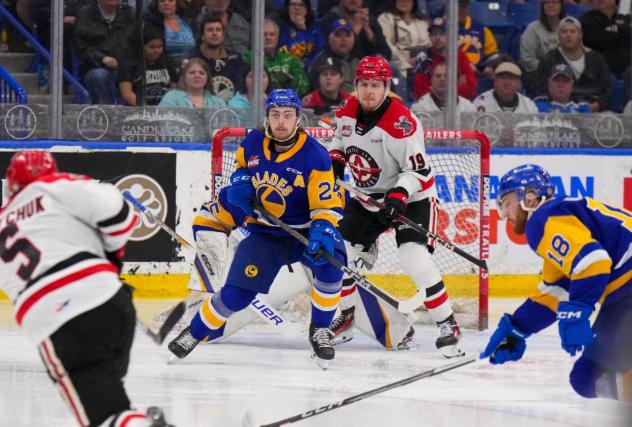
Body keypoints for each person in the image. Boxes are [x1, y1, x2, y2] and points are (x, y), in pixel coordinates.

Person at [168, 89, 347, 369]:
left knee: (331, 265)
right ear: (267, 117)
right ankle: (194, 332)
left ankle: (320, 330)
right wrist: (240, 183)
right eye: (275, 115)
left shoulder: (316, 156)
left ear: (298, 119)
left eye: (287, 115)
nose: (281, 122)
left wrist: (322, 229)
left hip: (306, 231)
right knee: (236, 295)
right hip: (265, 233)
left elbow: (325, 203)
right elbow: (241, 166)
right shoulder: (253, 143)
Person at [0, 150, 173, 426]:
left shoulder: (5, 218)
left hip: (60, 324)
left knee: (105, 417)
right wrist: (110, 256)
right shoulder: (61, 186)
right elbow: (122, 216)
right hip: (110, 302)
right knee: (113, 403)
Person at [328, 56, 463, 357]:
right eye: (364, 84)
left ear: (387, 86)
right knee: (340, 255)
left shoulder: (402, 123)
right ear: (356, 86)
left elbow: (418, 171)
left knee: (412, 256)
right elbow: (339, 142)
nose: (369, 91)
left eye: (376, 85)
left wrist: (398, 195)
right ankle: (347, 316)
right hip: (366, 197)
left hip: (411, 198)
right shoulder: (346, 111)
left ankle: (447, 323)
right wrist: (335, 162)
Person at [481, 164, 632, 401]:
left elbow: (594, 261)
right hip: (625, 292)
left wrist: (578, 310)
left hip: (627, 291)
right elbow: (559, 288)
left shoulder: (541, 220)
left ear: (528, 198)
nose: (504, 215)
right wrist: (518, 328)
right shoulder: (560, 215)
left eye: (507, 203)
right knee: (588, 376)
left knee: (590, 377)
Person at [536, 16, 611, 112]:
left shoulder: (596, 58)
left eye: (572, 31)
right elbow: (540, 91)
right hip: (559, 112)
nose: (568, 35)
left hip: (594, 111)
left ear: (580, 35)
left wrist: (595, 106)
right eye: (564, 31)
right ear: (558, 36)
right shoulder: (549, 59)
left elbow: (608, 91)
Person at [73, 0, 136, 104]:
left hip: (127, 69)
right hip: (96, 67)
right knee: (99, 76)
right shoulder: (85, 14)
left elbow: (138, 44)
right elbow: (80, 47)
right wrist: (101, 58)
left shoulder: (130, 15)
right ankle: (108, 115)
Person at [412, 17, 477, 101]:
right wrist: (456, 86)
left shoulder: (459, 55)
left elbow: (471, 90)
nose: (437, 38)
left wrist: (436, 88)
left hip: (457, 105)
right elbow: (421, 93)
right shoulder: (424, 57)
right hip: (431, 108)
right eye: (434, 34)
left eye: (442, 33)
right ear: (430, 37)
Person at [243, 19, 310, 97]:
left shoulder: (290, 59)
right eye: (264, 34)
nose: (268, 37)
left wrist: (284, 97)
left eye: (272, 34)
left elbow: (303, 84)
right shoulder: (248, 57)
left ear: (277, 38)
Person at [191, 16, 246, 102]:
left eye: (218, 30)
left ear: (223, 35)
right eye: (210, 30)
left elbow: (242, 89)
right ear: (202, 36)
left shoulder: (235, 59)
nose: (214, 33)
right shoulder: (193, 60)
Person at [118, 30, 177, 106]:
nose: (156, 51)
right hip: (138, 109)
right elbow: (127, 94)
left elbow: (174, 89)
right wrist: (147, 110)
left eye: (160, 47)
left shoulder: (168, 62)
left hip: (165, 108)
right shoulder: (129, 64)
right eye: (151, 47)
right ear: (140, 47)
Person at [520, 0, 567, 96]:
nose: (550, 5)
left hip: (567, 73)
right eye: (546, 2)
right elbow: (528, 61)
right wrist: (552, 70)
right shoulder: (532, 29)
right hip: (539, 75)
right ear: (542, 7)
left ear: (561, 6)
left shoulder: (569, 26)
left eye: (554, 2)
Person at [377, 0, 431, 79]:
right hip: (398, 63)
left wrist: (420, 58)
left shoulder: (422, 21)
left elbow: (429, 44)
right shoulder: (386, 18)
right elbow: (386, 45)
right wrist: (405, 61)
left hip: (422, 61)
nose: (404, 1)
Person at [320, 0, 392, 59]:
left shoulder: (370, 19)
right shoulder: (330, 19)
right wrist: (356, 28)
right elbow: (335, 53)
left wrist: (368, 30)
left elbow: (386, 53)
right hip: (340, 68)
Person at [308, 18, 362, 93]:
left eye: (347, 35)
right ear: (330, 39)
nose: (343, 39)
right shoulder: (321, 61)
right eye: (339, 35)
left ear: (354, 39)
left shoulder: (359, 60)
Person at [579, 0, 631, 74]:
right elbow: (598, 42)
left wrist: (611, 34)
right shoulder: (585, 20)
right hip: (599, 68)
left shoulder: (624, 19)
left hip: (625, 66)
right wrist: (620, 33)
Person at [270, 0, 325, 68]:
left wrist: (302, 29)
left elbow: (320, 54)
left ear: (307, 10)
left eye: (301, 5)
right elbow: (281, 54)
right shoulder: (280, 28)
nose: (297, 8)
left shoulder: (316, 28)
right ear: (288, 8)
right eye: (293, 4)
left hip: (311, 70)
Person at [144, 0, 196, 69]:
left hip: (191, 66)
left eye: (170, 0)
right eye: (162, 1)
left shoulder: (189, 22)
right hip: (164, 67)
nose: (166, 3)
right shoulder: (150, 24)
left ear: (177, 3)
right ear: (157, 4)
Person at [159, 58, 226, 108]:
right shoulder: (171, 98)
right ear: (184, 76)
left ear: (207, 77)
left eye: (202, 73)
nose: (197, 76)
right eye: (192, 73)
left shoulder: (218, 102)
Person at [411, 62, 476, 114]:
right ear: (431, 81)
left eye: (446, 75)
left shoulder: (468, 108)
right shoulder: (419, 108)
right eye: (438, 76)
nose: (442, 79)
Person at [473, 62, 538, 113]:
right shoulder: (481, 102)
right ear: (495, 81)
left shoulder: (529, 105)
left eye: (511, 78)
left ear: (519, 83)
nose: (506, 82)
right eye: (502, 77)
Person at [457, 0, 500, 77]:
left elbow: (493, 55)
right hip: (453, 74)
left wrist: (489, 66)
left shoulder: (481, 29)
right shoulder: (442, 28)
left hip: (477, 74)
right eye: (457, 7)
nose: (460, 11)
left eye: (463, 7)